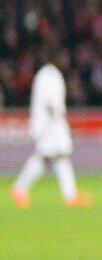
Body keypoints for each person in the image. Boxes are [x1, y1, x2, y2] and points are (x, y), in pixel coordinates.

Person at [11, 50, 87, 209]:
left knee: (56, 158)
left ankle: (70, 195)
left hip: (50, 123)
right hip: (49, 124)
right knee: (47, 156)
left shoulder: (48, 74)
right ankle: (19, 189)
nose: (66, 61)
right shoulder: (49, 76)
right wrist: (58, 121)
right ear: (57, 58)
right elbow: (50, 102)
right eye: (64, 57)